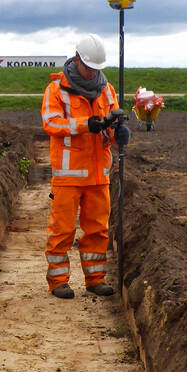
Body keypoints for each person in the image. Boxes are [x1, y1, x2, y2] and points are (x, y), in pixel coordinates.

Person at [40, 33, 130, 299]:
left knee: (98, 230)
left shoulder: (106, 90)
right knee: (62, 231)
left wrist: (119, 133)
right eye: (89, 67)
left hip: (98, 175)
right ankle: (58, 282)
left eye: (97, 69)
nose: (92, 73)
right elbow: (51, 123)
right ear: (77, 59)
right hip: (68, 177)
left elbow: (110, 129)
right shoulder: (56, 90)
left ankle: (95, 279)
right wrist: (85, 124)